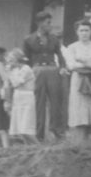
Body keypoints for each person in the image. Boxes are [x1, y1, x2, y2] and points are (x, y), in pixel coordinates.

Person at [23, 11, 68, 142]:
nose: (50, 25)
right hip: (37, 70)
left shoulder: (54, 39)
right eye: (48, 23)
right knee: (39, 102)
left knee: (56, 101)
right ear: (40, 23)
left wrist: (63, 67)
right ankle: (40, 133)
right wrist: (28, 71)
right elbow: (26, 58)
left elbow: (60, 55)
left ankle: (56, 130)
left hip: (52, 69)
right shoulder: (29, 39)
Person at [66, 20, 91, 142]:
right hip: (79, 83)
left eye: (87, 30)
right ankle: (79, 144)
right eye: (81, 30)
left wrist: (82, 60)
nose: (84, 33)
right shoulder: (72, 47)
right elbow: (71, 65)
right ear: (77, 32)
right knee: (80, 114)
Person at [5, 48, 38, 144]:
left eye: (11, 59)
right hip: (17, 97)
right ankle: (29, 149)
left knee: (26, 129)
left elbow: (16, 83)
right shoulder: (14, 70)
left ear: (17, 59)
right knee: (20, 130)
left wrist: (9, 73)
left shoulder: (26, 69)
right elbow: (9, 84)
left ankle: (39, 147)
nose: (9, 61)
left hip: (27, 97)